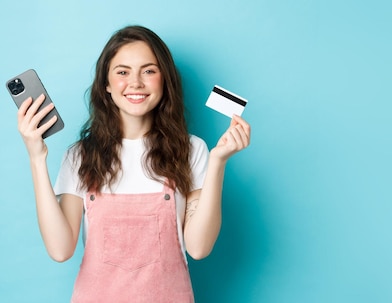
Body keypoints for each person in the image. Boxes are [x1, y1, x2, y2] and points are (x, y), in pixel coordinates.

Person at [17, 25, 251, 302]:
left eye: (149, 71)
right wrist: (36, 157)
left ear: (165, 80)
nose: (136, 82)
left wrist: (218, 162)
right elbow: (60, 249)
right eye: (123, 72)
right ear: (106, 83)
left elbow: (199, 248)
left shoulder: (192, 150)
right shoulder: (80, 155)